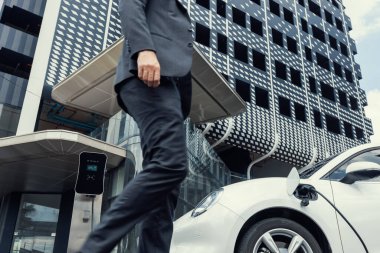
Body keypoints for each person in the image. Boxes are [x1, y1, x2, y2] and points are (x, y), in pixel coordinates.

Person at [78, 0, 193, 252]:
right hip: (149, 77)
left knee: (165, 191)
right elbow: (130, 3)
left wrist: (180, 108)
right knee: (170, 164)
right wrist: (144, 50)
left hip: (168, 87)